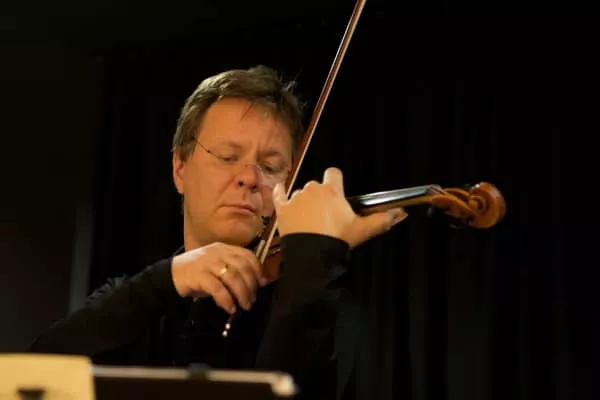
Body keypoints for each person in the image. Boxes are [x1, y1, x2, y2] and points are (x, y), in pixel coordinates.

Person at [27, 65, 407, 399]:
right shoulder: (138, 299)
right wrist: (167, 280)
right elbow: (29, 377)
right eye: (228, 157)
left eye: (270, 167)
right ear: (180, 168)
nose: (250, 178)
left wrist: (314, 262)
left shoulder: (325, 309)